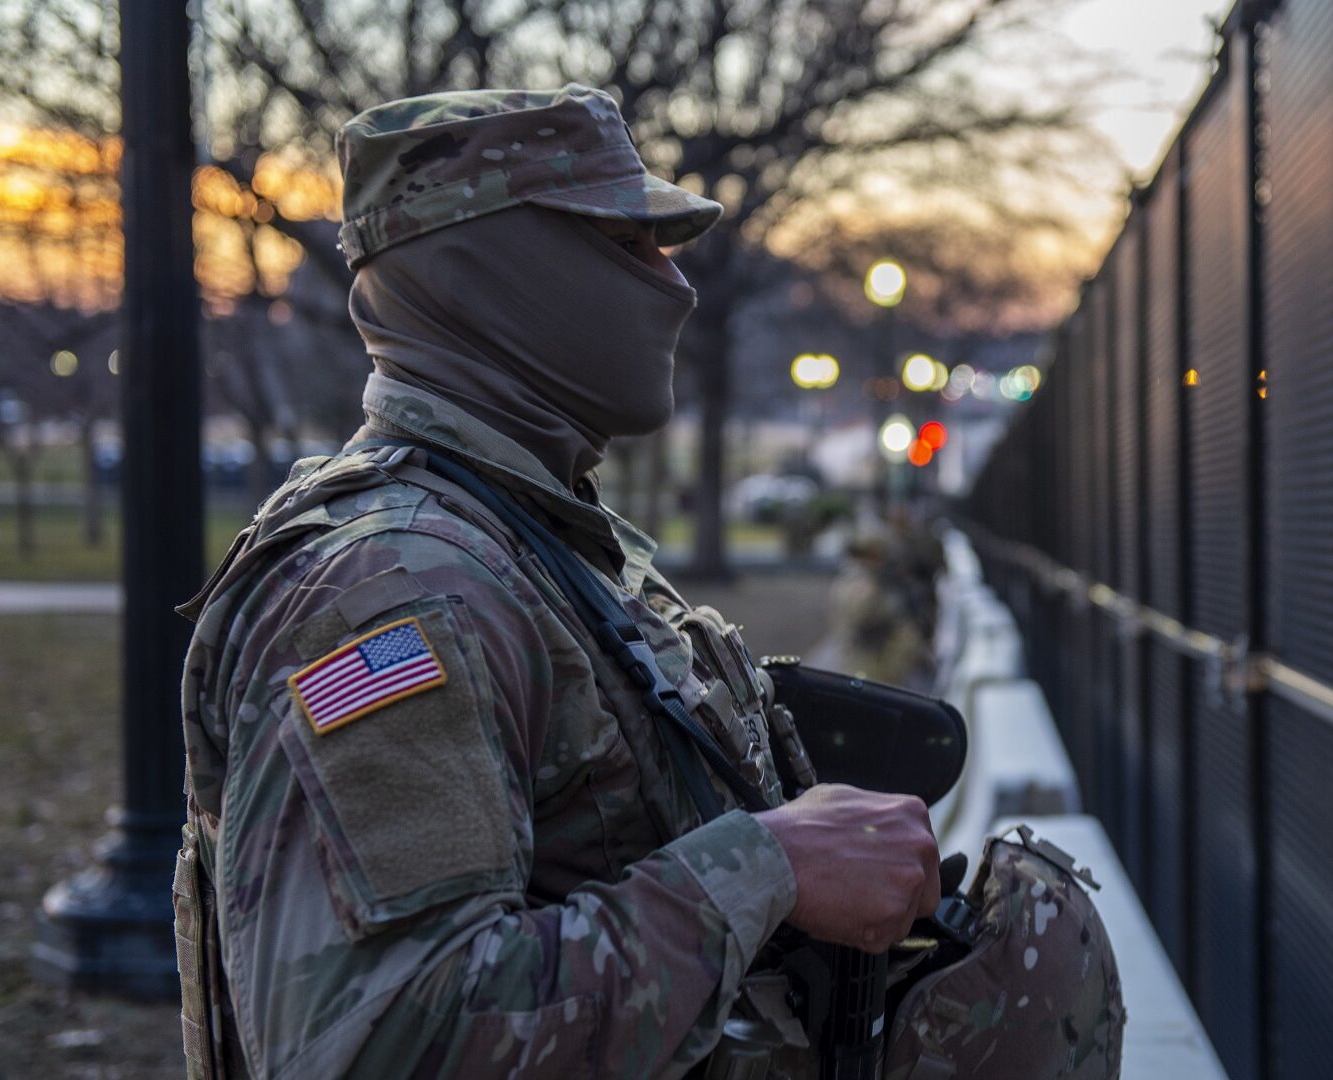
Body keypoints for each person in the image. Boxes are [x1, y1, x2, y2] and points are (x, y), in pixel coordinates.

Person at [175, 86, 1121, 1079]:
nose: (678, 289)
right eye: (630, 246)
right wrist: (768, 868)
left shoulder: (533, 540)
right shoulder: (392, 589)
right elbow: (384, 1042)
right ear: (492, 276)